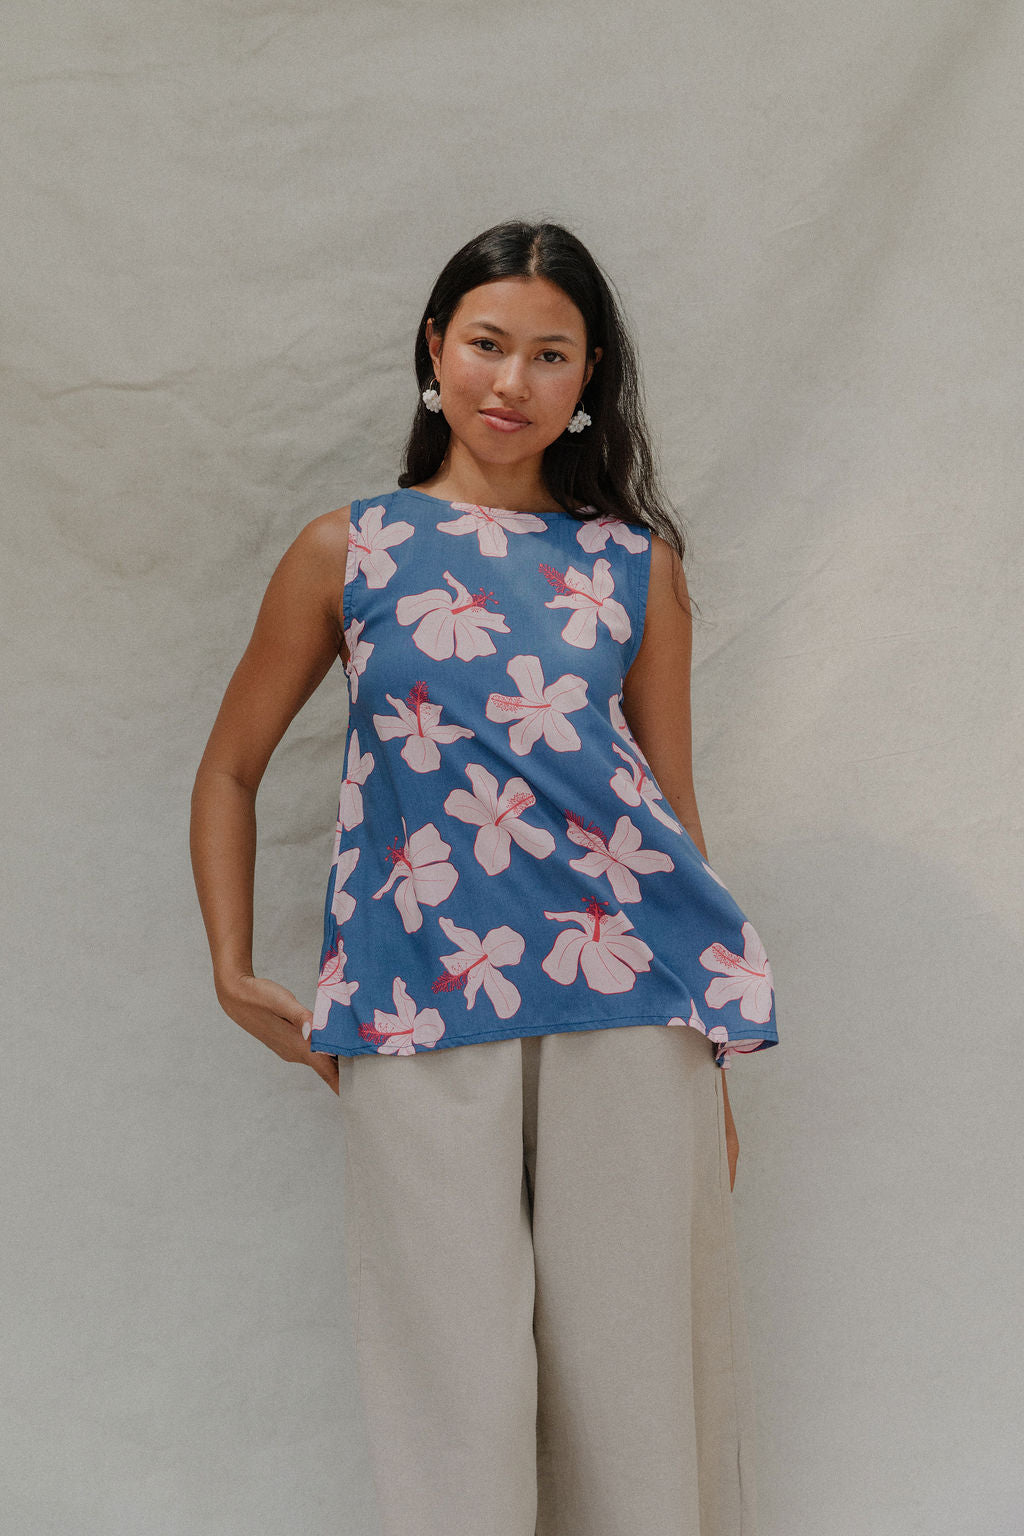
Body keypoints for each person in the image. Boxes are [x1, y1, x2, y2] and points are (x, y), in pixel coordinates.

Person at [190, 217, 778, 1536]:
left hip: (631, 1003)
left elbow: (672, 820)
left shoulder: (636, 566)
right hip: (412, 999)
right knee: (452, 1393)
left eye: (549, 355)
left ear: (589, 381)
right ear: (435, 352)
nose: (510, 382)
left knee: (632, 1387)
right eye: (487, 344)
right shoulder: (349, 553)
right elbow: (229, 769)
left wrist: (718, 1046)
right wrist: (232, 971)